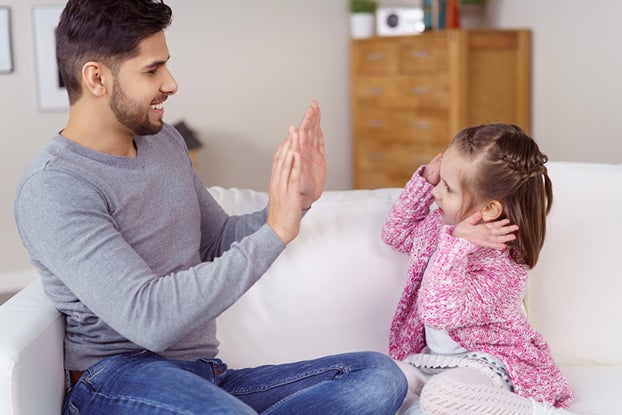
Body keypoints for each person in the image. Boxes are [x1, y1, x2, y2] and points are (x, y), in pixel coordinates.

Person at [14, 1, 407, 414]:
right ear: (96, 78)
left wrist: (296, 202)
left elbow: (217, 239)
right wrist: (275, 233)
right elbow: (151, 320)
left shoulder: (163, 142)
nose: (171, 83)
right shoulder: (55, 186)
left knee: (378, 376)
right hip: (115, 378)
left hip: (205, 375)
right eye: (152, 70)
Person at [381, 123, 576, 415]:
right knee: (381, 376)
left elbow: (437, 311)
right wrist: (424, 180)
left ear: (489, 209)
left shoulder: (504, 265)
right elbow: (395, 233)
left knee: (441, 396)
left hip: (489, 365)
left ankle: (539, 412)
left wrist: (455, 246)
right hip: (434, 363)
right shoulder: (441, 225)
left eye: (447, 187)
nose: (436, 192)